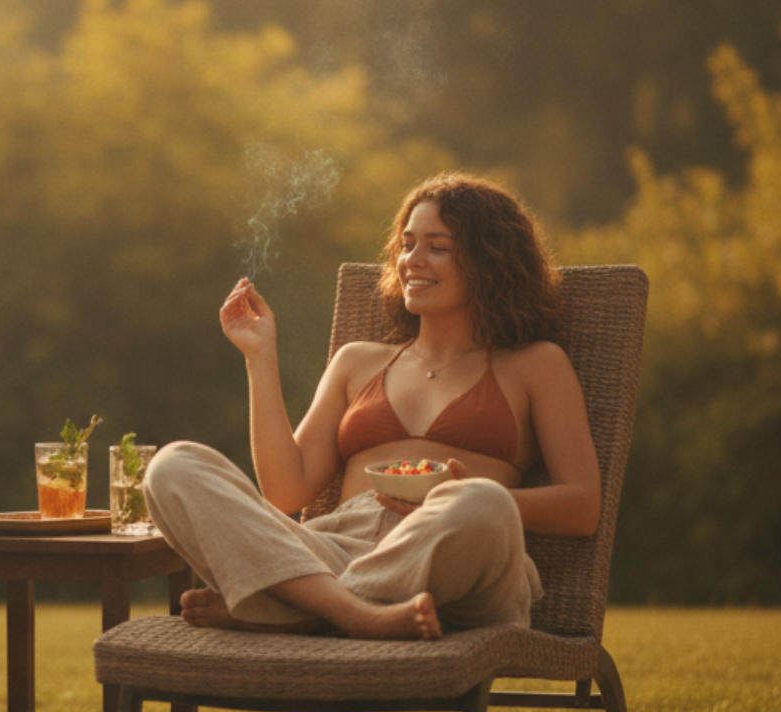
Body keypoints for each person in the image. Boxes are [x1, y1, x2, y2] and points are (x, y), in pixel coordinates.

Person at [143, 172, 599, 641]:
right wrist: (260, 358)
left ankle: (300, 609)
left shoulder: (536, 364)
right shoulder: (357, 361)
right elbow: (285, 492)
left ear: (489, 262)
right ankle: (352, 612)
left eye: (437, 247)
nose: (411, 260)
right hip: (339, 549)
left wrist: (458, 494)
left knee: (483, 501)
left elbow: (583, 506)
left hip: (458, 552)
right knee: (173, 466)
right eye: (407, 244)